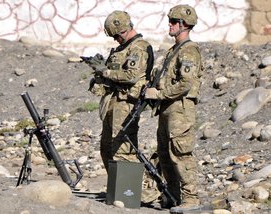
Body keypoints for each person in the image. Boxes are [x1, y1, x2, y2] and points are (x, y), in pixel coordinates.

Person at [144, 4, 203, 213]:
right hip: (167, 108)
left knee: (180, 153)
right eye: (169, 21)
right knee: (164, 153)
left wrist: (159, 94)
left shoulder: (189, 50)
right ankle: (173, 196)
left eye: (173, 22)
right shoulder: (174, 50)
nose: (169, 25)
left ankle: (191, 199)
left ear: (184, 24)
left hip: (180, 109)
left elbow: (185, 83)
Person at [86, 10, 154, 175]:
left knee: (123, 151)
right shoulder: (122, 49)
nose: (115, 40)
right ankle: (117, 190)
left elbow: (131, 76)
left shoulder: (139, 48)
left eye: (117, 36)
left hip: (126, 104)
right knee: (107, 149)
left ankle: (136, 194)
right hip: (113, 102)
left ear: (124, 29)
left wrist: (105, 72)